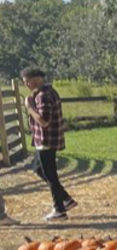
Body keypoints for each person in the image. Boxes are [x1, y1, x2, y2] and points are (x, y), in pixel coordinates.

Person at [20, 67, 76, 221]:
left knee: (51, 175)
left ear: (36, 79)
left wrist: (30, 108)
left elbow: (44, 121)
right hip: (46, 140)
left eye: (27, 82)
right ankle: (66, 199)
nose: (26, 85)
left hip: (46, 140)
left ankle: (59, 210)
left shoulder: (43, 96)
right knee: (38, 168)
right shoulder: (49, 92)